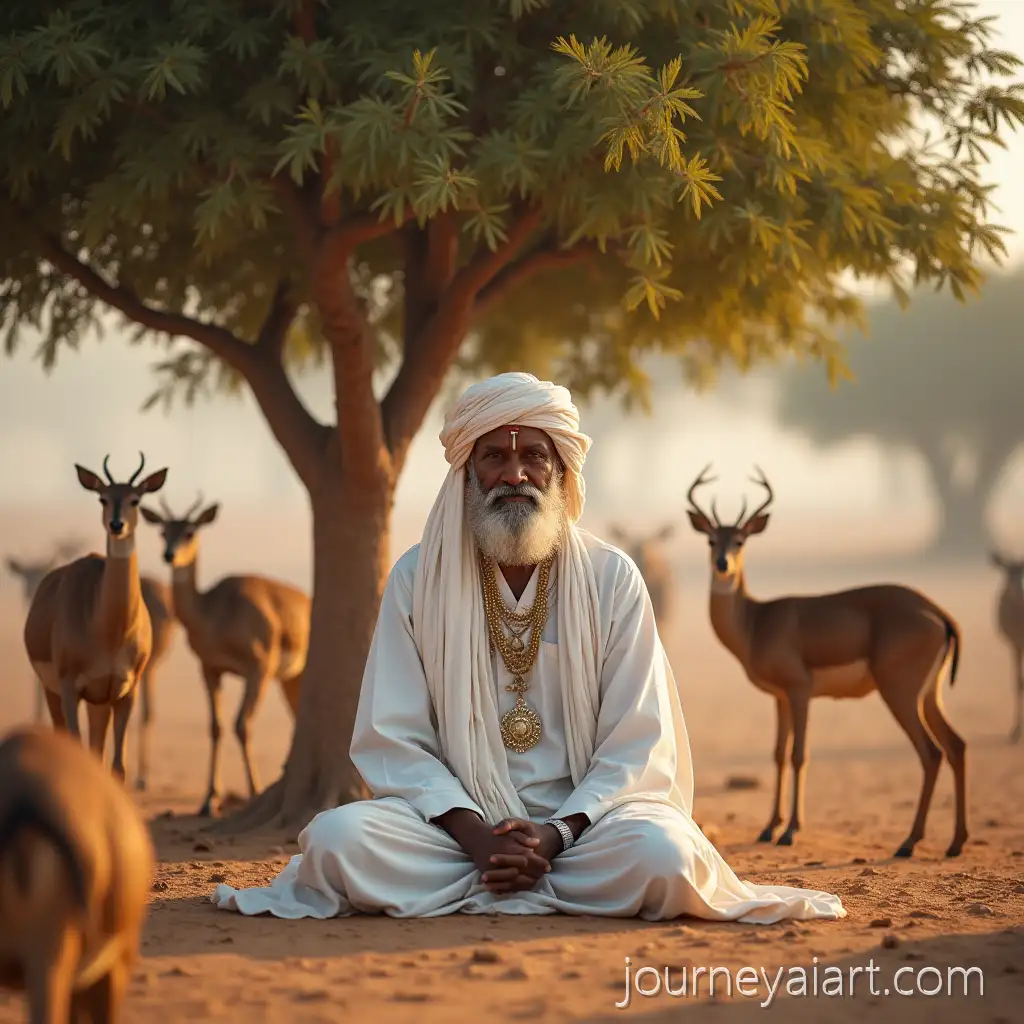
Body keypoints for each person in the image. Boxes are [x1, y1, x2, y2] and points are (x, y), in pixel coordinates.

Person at [211, 372, 846, 924]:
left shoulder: (612, 578)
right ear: (467, 474)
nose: (514, 473)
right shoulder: (415, 580)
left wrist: (555, 832)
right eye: (493, 457)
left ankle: (530, 870)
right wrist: (477, 837)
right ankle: (498, 874)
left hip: (588, 831)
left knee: (664, 855)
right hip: (452, 836)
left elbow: (637, 739)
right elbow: (395, 739)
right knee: (337, 842)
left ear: (561, 470)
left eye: (533, 456)